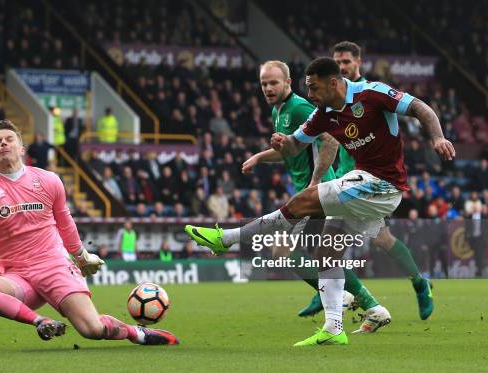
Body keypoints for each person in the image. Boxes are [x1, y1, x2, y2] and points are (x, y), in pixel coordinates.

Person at [186, 57, 454, 346]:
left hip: (383, 184)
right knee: (327, 253)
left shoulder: (372, 93)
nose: (310, 95)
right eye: (307, 89)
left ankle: (227, 238)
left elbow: (420, 107)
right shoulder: (323, 113)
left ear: (334, 83)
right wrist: (282, 143)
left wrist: (437, 137)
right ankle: (334, 328)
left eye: (314, 88)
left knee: (303, 202)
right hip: (361, 188)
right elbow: (296, 144)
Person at [0, 119, 178, 345]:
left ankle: (136, 332)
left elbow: (65, 224)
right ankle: (39, 321)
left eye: (9, 139)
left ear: (22, 148)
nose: (3, 143)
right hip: (17, 278)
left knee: (92, 329)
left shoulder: (48, 180)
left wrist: (82, 257)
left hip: (54, 266)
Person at [241, 60, 386, 327]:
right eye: (264, 83)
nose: (268, 88)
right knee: (325, 256)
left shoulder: (300, 107)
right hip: (309, 192)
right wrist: (260, 158)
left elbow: (329, 138)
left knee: (283, 251)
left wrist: (316, 180)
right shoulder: (280, 111)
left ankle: (342, 296)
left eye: (274, 82)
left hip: (316, 191)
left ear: (287, 82)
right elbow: (291, 148)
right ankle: (371, 307)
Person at [332, 41, 434, 320]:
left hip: (373, 182)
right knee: (379, 239)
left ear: (358, 63)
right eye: (337, 63)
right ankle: (418, 283)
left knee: (329, 247)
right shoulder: (334, 100)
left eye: (346, 62)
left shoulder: (373, 93)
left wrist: (436, 137)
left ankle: (352, 301)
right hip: (347, 180)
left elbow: (414, 109)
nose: (341, 68)